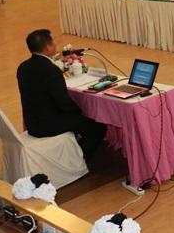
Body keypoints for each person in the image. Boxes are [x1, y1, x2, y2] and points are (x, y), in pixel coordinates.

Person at [17, 30, 107, 160]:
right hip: (48, 124)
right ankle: (77, 160)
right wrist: (81, 113)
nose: (55, 44)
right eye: (53, 41)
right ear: (47, 47)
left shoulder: (23, 67)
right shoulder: (50, 69)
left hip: (32, 123)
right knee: (97, 128)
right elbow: (62, 101)